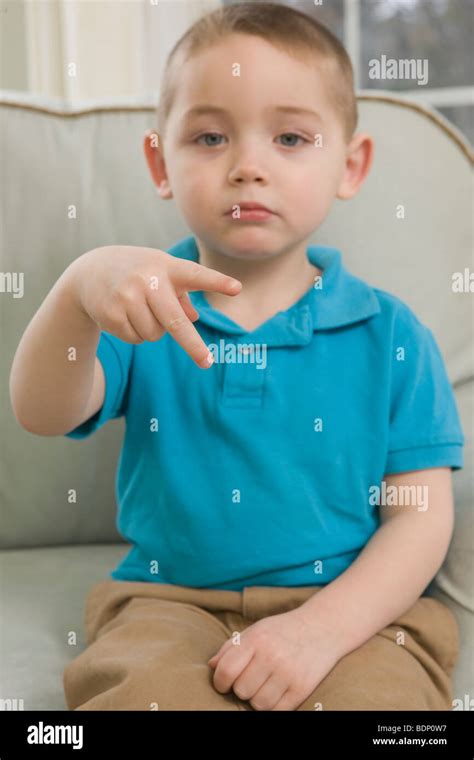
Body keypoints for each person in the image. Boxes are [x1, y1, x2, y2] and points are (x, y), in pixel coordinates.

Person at [9, 3, 464, 711]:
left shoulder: (394, 335)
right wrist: (76, 293)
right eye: (211, 136)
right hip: (166, 603)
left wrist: (319, 631)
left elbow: (420, 519)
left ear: (350, 164)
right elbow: (40, 412)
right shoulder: (141, 308)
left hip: (350, 613)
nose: (248, 167)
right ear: (161, 162)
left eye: (289, 136)